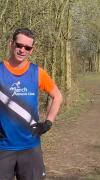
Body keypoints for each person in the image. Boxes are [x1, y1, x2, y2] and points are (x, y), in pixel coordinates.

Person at [0, 28, 63, 180]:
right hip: (3, 148)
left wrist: (48, 123)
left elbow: (57, 96)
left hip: (31, 147)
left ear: (32, 50)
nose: (22, 50)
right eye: (19, 45)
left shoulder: (37, 73)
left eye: (27, 47)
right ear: (11, 44)